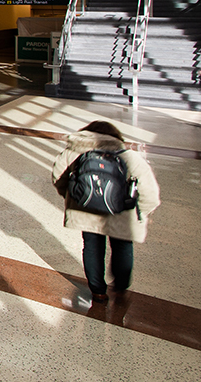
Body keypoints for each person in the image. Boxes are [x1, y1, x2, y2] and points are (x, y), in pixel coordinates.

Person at [51, 120, 160, 303]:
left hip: (86, 211)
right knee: (123, 246)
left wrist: (75, 199)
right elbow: (150, 193)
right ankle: (121, 285)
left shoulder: (72, 152)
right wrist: (141, 213)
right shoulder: (129, 157)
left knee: (92, 247)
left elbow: (58, 178)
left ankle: (98, 291)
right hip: (121, 213)